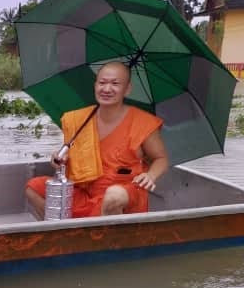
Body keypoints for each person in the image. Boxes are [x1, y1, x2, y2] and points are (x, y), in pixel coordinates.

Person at [26, 61, 169, 219]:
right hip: (86, 190)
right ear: (95, 86)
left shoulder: (142, 122)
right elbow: (71, 157)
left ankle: (108, 240)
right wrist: (59, 159)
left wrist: (151, 176)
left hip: (125, 192)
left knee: (113, 196)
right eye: (102, 83)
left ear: (127, 89)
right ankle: (60, 232)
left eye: (115, 83)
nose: (107, 89)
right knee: (33, 187)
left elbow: (161, 158)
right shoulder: (80, 120)